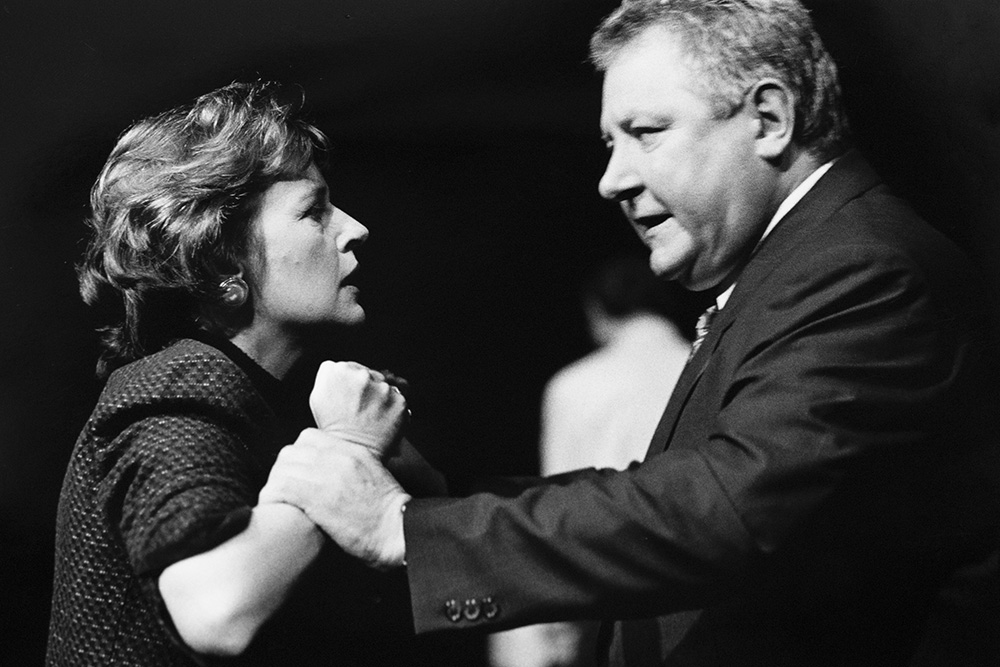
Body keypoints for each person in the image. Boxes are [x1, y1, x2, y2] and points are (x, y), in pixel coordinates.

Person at [260, 1, 1000, 665]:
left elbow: (723, 508)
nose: (612, 178)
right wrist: (441, 498)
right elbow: (672, 492)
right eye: (611, 143)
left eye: (645, 133)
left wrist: (408, 531)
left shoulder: (866, 270)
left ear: (770, 119)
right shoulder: (811, 262)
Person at [46, 81, 424, 666]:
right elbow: (217, 610)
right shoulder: (179, 387)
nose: (355, 229)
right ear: (223, 263)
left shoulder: (263, 392)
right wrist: (350, 448)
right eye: (314, 211)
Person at [490, 254, 692, 667]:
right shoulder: (703, 368)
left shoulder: (574, 385)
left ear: (598, 309)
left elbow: (558, 511)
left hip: (606, 591)